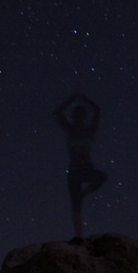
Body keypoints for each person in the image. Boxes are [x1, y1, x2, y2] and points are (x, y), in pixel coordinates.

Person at [54, 92, 107, 239]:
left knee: (102, 177)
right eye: (77, 115)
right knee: (76, 206)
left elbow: (97, 110)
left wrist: (83, 99)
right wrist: (72, 99)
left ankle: (84, 193)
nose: (79, 118)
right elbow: (57, 113)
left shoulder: (89, 131)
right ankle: (79, 237)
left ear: (83, 117)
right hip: (74, 171)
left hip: (85, 168)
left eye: (81, 115)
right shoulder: (71, 130)